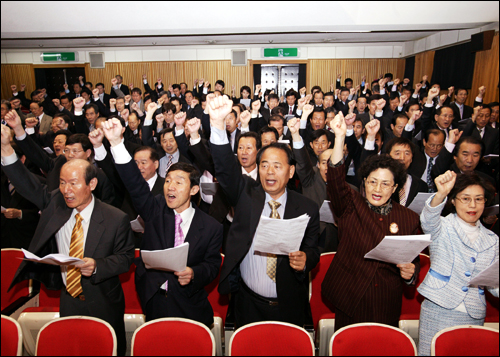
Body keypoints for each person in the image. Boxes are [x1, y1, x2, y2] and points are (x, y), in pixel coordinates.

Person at [1, 119, 134, 356]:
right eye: (62, 183)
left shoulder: (116, 218)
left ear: (92, 184)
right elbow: (27, 184)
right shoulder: (56, 203)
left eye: (73, 183)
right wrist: (6, 150)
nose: (66, 190)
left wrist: (97, 266)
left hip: (103, 300)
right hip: (68, 297)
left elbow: (125, 259)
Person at [208, 94, 320, 328]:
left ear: (290, 172)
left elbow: (313, 249)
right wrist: (218, 125)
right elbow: (227, 172)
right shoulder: (246, 194)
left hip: (290, 303)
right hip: (248, 302)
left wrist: (306, 259)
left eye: (277, 166)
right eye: (264, 165)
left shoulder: (306, 208)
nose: (270, 172)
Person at [101, 117, 223, 328]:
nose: (170, 187)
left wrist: (194, 273)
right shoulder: (155, 209)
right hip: (154, 300)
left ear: (194, 190)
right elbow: (135, 185)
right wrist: (116, 143)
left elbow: (212, 266)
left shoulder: (212, 226)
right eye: (167, 181)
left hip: (190, 304)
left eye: (178, 182)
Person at [322, 112, 420, 331]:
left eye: (386, 184)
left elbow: (413, 261)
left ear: (395, 188)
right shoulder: (351, 205)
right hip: (350, 296)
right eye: (373, 182)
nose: (378, 189)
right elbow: (336, 181)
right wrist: (339, 137)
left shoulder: (408, 218)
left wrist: (410, 273)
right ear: (364, 182)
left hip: (386, 299)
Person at [417, 170, 498, 356]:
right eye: (466, 198)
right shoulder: (442, 226)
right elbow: (427, 220)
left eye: (479, 199)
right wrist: (441, 193)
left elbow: (494, 286)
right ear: (453, 201)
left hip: (474, 313)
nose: (473, 205)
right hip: (438, 308)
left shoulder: (493, 240)